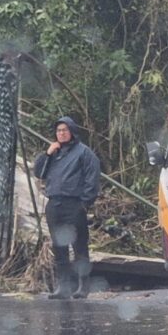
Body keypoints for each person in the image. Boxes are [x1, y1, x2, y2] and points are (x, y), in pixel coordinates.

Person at [33, 116, 101, 299]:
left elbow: (92, 179)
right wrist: (47, 154)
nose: (61, 133)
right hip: (54, 204)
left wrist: (84, 203)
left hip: (74, 204)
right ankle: (63, 286)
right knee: (59, 247)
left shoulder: (84, 153)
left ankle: (83, 286)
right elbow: (39, 172)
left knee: (79, 246)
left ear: (71, 131)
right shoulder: (54, 153)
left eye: (64, 130)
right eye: (58, 131)